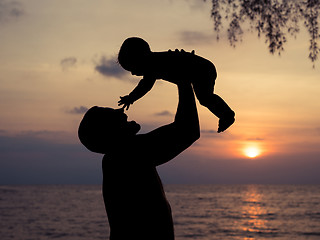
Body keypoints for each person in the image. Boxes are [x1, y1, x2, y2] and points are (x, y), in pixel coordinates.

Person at [78, 81, 200, 239]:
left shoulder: (118, 158)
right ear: (109, 131)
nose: (120, 110)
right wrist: (183, 81)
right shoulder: (126, 154)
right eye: (112, 113)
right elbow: (187, 130)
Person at [117, 37, 235, 133]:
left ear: (140, 58)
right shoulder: (155, 61)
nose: (133, 73)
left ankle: (227, 115)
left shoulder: (153, 64)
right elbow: (145, 84)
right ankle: (226, 115)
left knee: (205, 98)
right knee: (205, 98)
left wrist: (131, 97)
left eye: (132, 68)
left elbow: (145, 85)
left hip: (202, 69)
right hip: (203, 67)